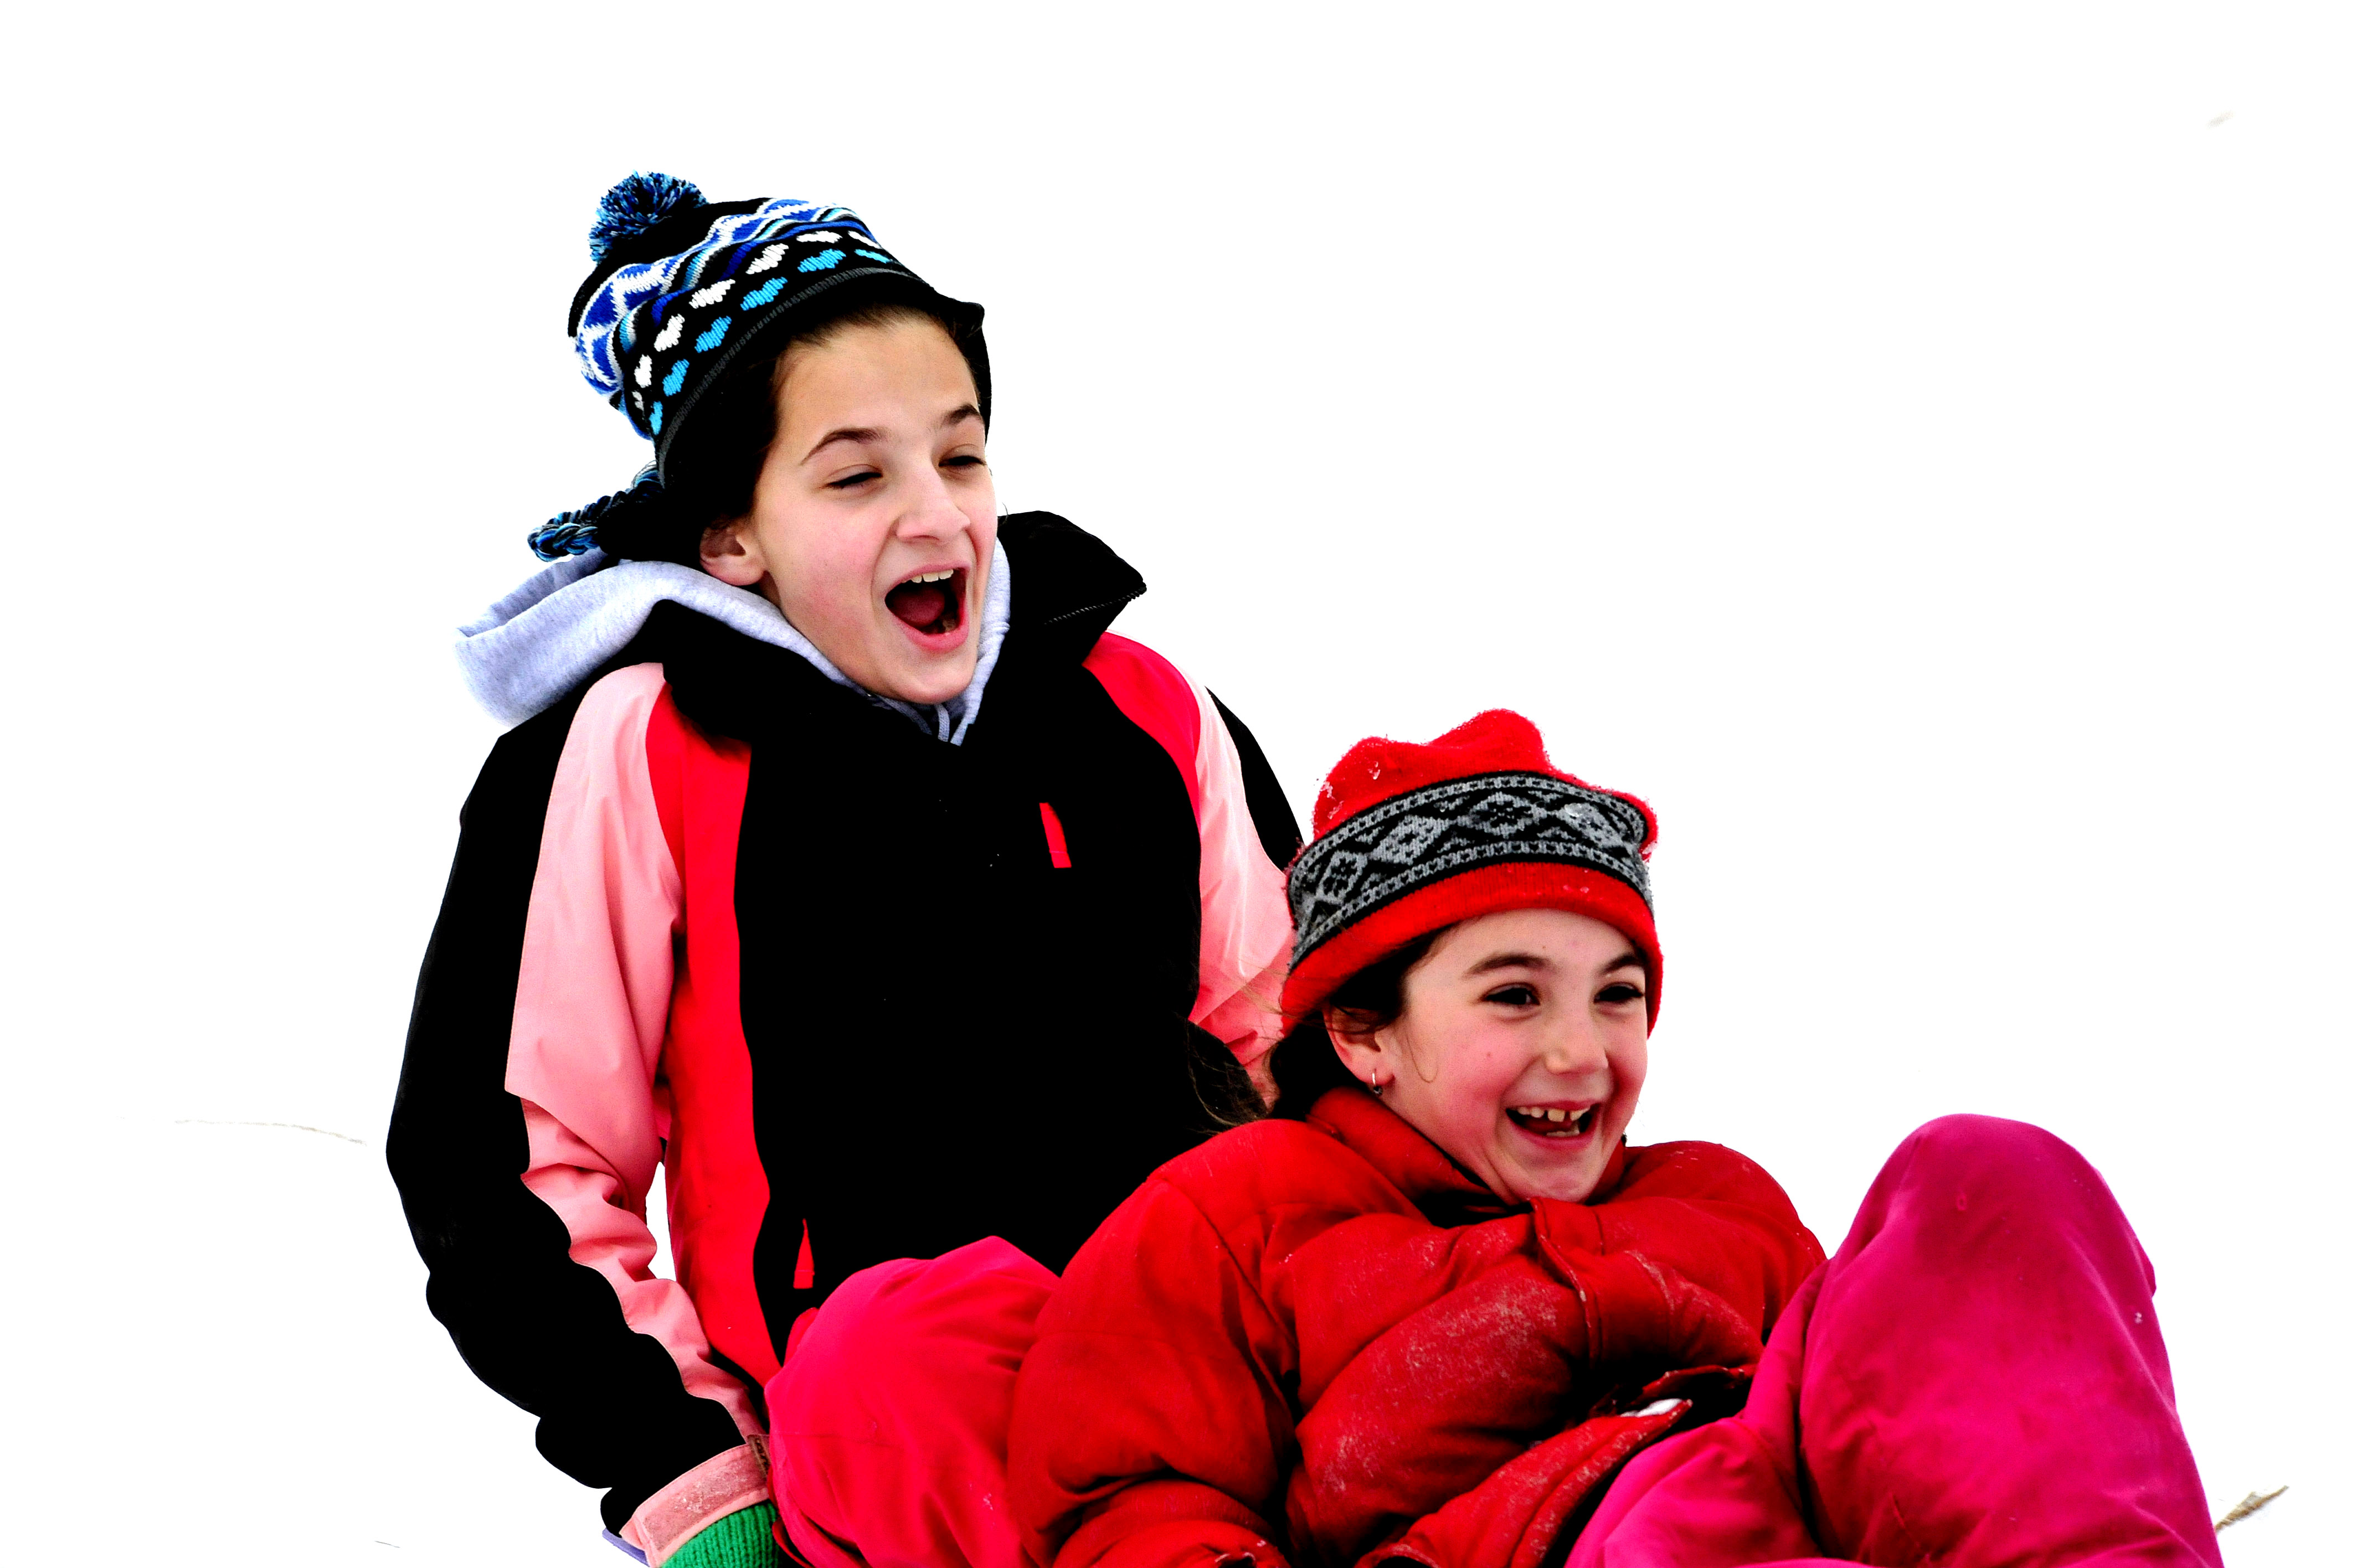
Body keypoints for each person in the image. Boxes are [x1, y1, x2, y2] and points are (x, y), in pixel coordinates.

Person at [387, 173, 1299, 1568]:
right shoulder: (643, 748)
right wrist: (686, 1474)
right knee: (899, 1353)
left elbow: (1291, 1037)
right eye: (857, 475)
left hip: (1212, 1409)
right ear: (730, 533)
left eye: (961, 455)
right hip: (893, 1451)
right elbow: (514, 1163)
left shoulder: (1139, 711)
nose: (936, 514)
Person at [774, 711, 2219, 1568]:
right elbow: (1140, 1491)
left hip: (1758, 1487)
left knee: (1983, 1173)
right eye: (1514, 998)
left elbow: (1904, 1410)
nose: (1581, 1051)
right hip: (1545, 1546)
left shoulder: (1718, 1202)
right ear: (1363, 1033)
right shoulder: (1241, 1212)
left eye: (1618, 995)